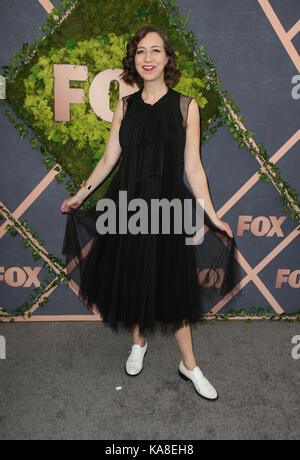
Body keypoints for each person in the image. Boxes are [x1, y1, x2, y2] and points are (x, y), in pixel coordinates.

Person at [60, 26, 241, 401]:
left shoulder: (186, 106)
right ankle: (138, 343)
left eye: (155, 51)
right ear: (134, 59)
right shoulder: (124, 107)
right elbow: (111, 157)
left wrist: (212, 214)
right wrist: (81, 194)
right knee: (133, 274)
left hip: (169, 209)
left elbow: (194, 168)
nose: (148, 58)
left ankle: (189, 365)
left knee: (172, 286)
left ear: (167, 59)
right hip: (126, 205)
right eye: (141, 51)